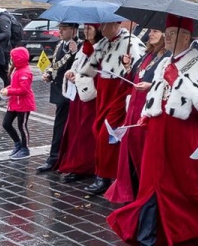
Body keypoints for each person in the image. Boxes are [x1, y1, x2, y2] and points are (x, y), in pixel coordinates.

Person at [107, 16, 198, 246]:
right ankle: (148, 244)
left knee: (192, 185)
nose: (166, 37)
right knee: (152, 185)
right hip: (158, 131)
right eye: (167, 32)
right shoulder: (165, 60)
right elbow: (156, 94)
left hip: (184, 134)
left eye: (172, 33)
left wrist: (180, 81)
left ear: (186, 37)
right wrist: (147, 112)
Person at [74, 21, 145, 195]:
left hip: (119, 92)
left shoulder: (131, 43)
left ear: (116, 24)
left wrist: (128, 68)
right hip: (104, 93)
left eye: (106, 25)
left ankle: (104, 177)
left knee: (108, 133)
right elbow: (90, 67)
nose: (102, 29)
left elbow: (139, 70)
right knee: (98, 130)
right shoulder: (104, 42)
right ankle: (108, 173)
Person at [104, 29, 170, 203]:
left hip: (146, 107)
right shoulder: (148, 55)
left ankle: (144, 190)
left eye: (156, 31)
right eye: (151, 32)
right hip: (134, 106)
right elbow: (135, 76)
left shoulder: (167, 57)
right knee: (131, 146)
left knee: (143, 148)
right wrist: (127, 67)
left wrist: (151, 85)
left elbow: (168, 83)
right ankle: (130, 188)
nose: (151, 34)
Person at [57, 25, 103, 182]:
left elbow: (98, 72)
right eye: (85, 28)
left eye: (90, 28)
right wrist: (72, 73)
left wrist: (79, 76)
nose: (86, 31)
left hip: (91, 96)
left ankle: (85, 166)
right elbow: (78, 67)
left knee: (86, 132)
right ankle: (75, 163)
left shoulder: (101, 48)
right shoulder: (84, 46)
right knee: (75, 129)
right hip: (78, 94)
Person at [37, 23, 79, 173]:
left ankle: (59, 158)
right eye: (60, 28)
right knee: (59, 126)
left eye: (64, 28)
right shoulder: (61, 44)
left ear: (73, 30)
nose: (60, 31)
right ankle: (56, 158)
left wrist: (74, 53)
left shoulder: (78, 45)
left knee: (66, 127)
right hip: (59, 90)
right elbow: (55, 64)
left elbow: (77, 66)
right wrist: (48, 73)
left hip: (70, 92)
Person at [0, 47, 35, 160]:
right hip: (15, 102)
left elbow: (24, 90)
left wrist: (9, 91)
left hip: (24, 104)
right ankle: (18, 143)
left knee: (22, 125)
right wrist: (8, 88)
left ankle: (25, 148)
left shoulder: (25, 72)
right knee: (6, 123)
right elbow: (16, 86)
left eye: (12, 58)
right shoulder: (17, 70)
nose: (11, 60)